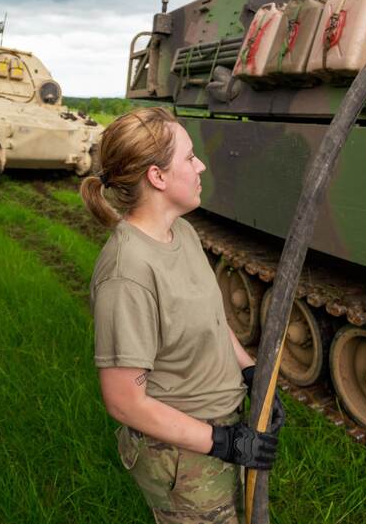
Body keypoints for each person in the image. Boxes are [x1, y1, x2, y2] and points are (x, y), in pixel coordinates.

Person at [81, 106, 283, 524]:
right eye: (190, 157)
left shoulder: (183, 232)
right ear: (157, 177)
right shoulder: (127, 273)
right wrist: (224, 442)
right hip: (184, 453)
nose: (201, 165)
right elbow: (125, 402)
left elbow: (210, 319)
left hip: (222, 426)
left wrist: (250, 374)